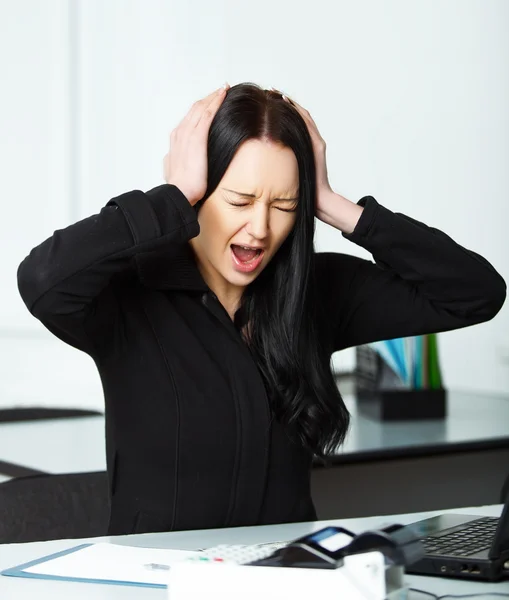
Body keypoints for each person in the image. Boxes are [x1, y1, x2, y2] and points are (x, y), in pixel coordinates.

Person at [17, 82, 506, 536]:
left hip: (284, 576)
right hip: (158, 583)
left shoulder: (313, 291)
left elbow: (475, 292)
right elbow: (42, 280)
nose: (259, 229)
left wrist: (334, 205)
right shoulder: (129, 293)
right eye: (240, 199)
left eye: (285, 205)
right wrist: (170, 199)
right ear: (200, 194)